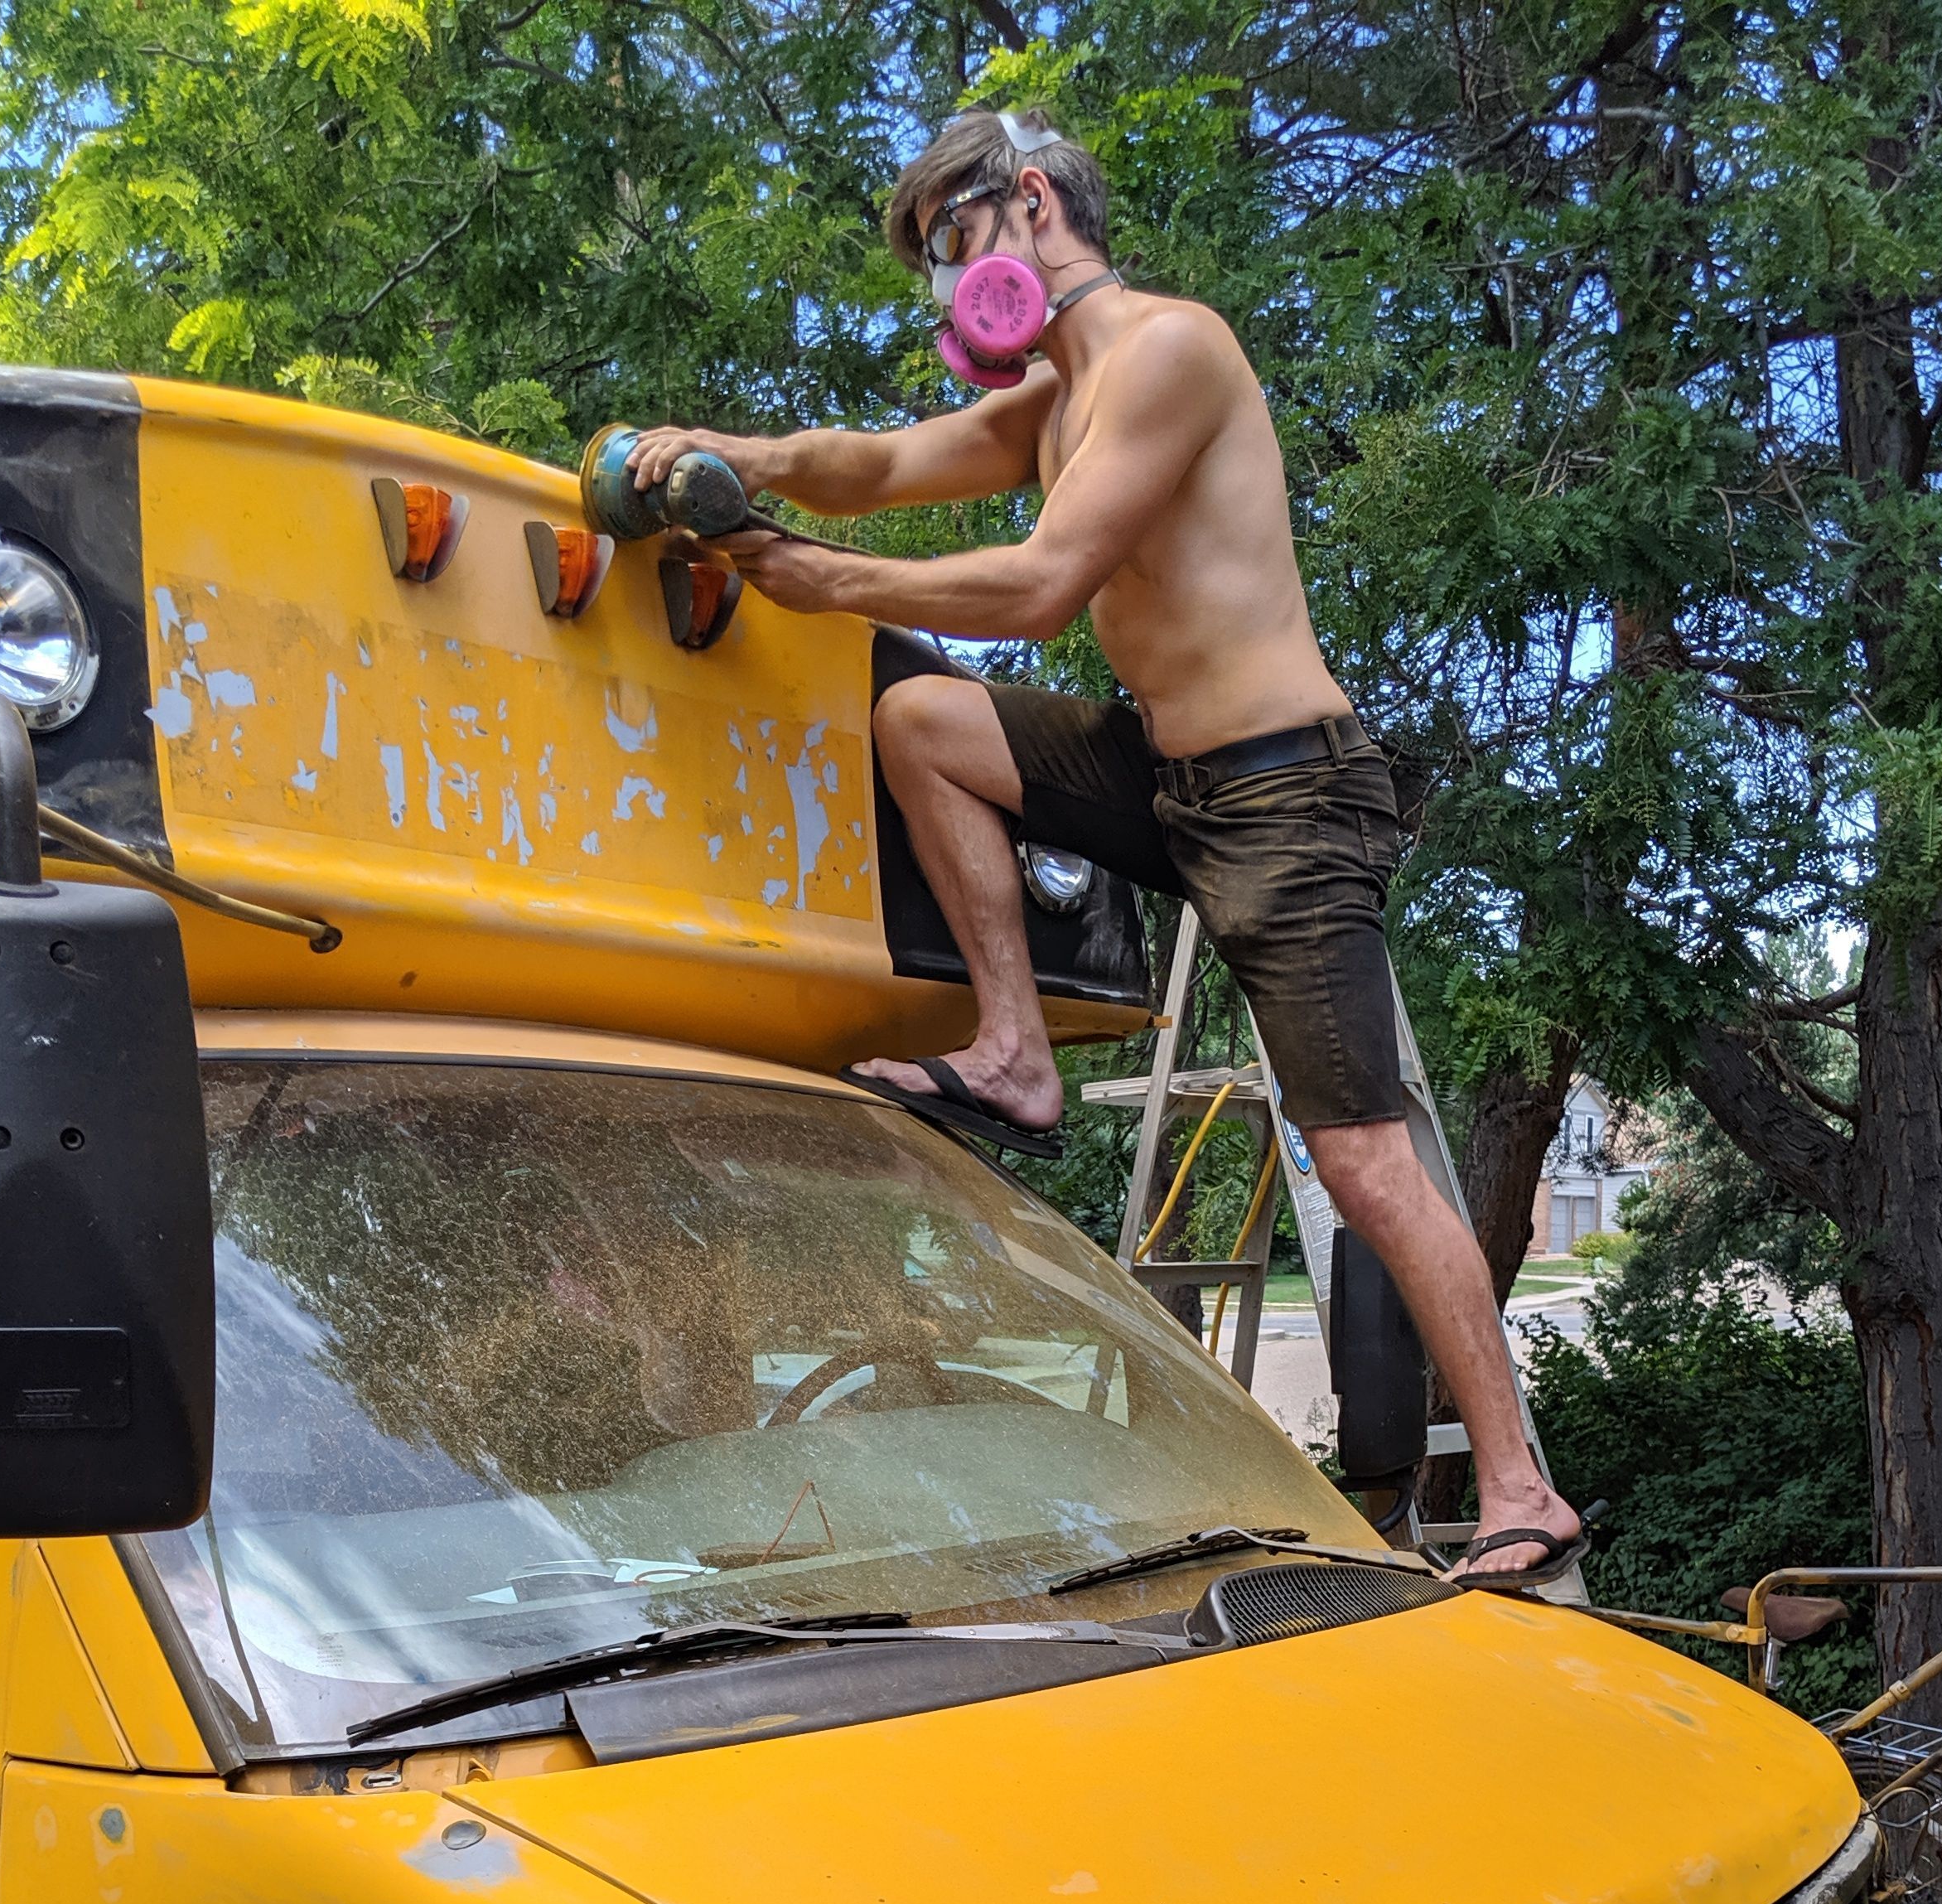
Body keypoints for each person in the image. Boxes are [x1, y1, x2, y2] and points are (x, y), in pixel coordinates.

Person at [626, 107, 1582, 1582]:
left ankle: (1520, 1490)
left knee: (1366, 1164)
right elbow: (869, 464)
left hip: (1286, 793)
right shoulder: (1050, 399)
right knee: (926, 723)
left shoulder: (1167, 353)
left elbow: (1042, 583)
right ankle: (1013, 1051)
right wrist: (721, 454)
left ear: (1027, 204)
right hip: (1168, 775)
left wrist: (815, 583)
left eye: (954, 243)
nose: (949, 286)